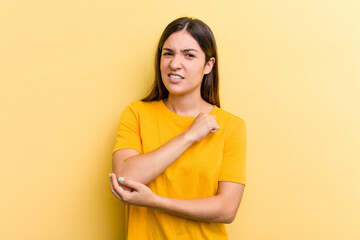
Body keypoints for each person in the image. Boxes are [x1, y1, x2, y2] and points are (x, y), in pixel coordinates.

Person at [109, 17, 247, 240]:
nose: (174, 64)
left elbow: (227, 209)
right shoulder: (136, 113)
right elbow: (124, 178)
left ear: (208, 66)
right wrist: (190, 135)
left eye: (189, 55)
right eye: (168, 53)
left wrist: (154, 201)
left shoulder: (232, 126)